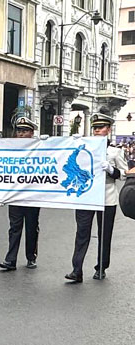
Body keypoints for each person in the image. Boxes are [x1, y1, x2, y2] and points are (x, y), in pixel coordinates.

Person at [65, 113, 127, 282]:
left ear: (108, 130)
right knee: (81, 233)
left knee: (104, 234)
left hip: (107, 197)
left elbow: (124, 175)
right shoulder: (84, 148)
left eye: (101, 128)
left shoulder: (115, 151)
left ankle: (101, 267)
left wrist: (111, 170)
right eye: (95, 128)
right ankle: (76, 270)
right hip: (86, 196)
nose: (97, 130)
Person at [0, 116, 40, 271]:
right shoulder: (10, 148)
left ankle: (31, 257)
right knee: (14, 228)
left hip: (32, 196)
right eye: (19, 131)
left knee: (31, 228)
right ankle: (11, 260)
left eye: (25, 131)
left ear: (31, 132)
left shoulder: (39, 148)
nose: (21, 134)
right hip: (15, 195)